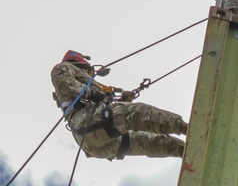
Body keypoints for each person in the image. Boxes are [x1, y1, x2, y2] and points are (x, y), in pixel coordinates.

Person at [50, 51, 187, 160]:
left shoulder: (88, 87)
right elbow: (64, 83)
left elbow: (111, 115)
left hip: (95, 141)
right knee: (137, 112)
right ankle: (185, 127)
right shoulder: (63, 68)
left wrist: (124, 100)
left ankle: (185, 151)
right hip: (87, 123)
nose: (91, 74)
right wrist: (93, 93)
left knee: (147, 140)